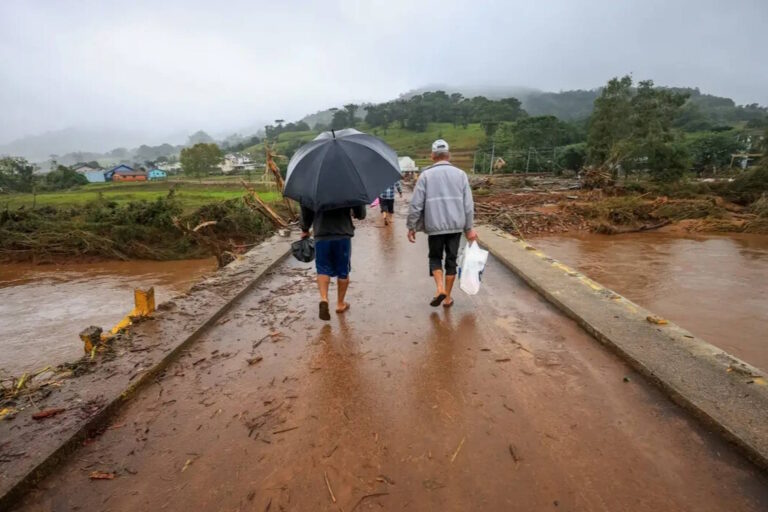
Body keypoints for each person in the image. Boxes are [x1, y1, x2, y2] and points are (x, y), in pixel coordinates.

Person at [406, 139, 477, 308]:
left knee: (435, 257)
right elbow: (468, 205)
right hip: (455, 226)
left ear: (432, 156)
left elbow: (415, 204)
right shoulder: (460, 175)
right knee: (451, 260)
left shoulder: (425, 176)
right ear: (448, 155)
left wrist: (411, 226)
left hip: (434, 226)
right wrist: (469, 228)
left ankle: (439, 289)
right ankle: (447, 298)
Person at [301, 204, 366, 320]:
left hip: (321, 234)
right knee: (343, 270)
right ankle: (340, 304)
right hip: (342, 233)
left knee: (322, 268)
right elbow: (360, 214)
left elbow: (306, 208)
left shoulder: (315, 187)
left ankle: (324, 299)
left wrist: (305, 229)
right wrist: (358, 212)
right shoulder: (349, 186)